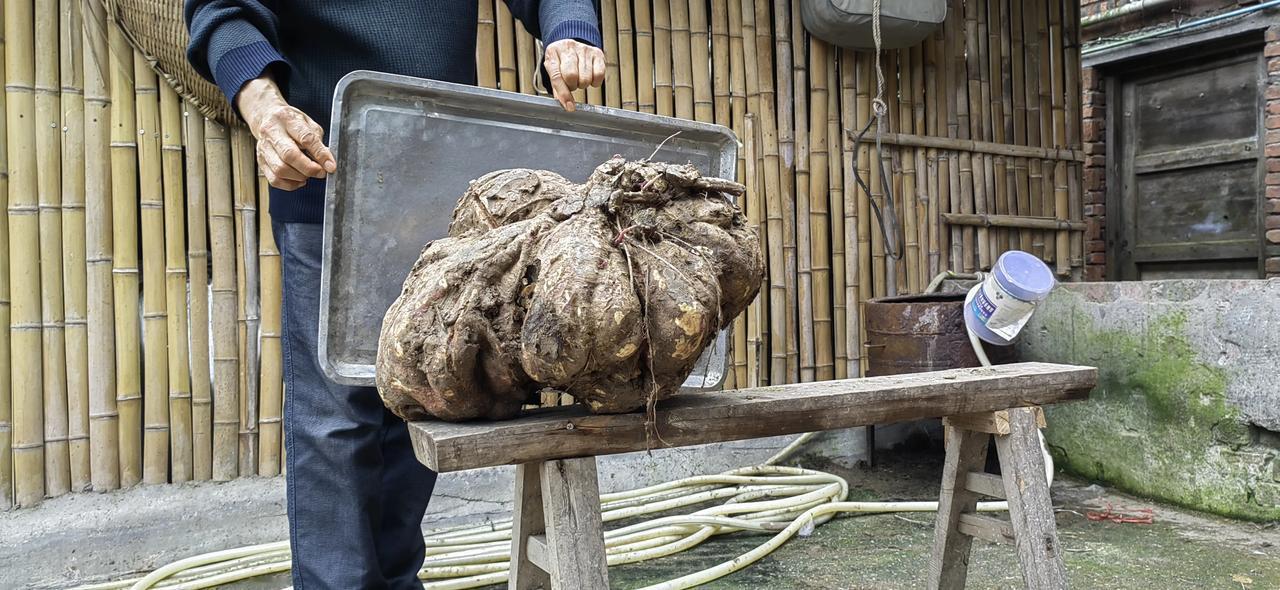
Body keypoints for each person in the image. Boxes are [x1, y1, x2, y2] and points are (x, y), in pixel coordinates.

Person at [183, 3, 605, 588]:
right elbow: (222, 11)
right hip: (327, 180)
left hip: (438, 176)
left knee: (427, 393)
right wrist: (264, 106)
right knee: (337, 421)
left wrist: (569, 31)